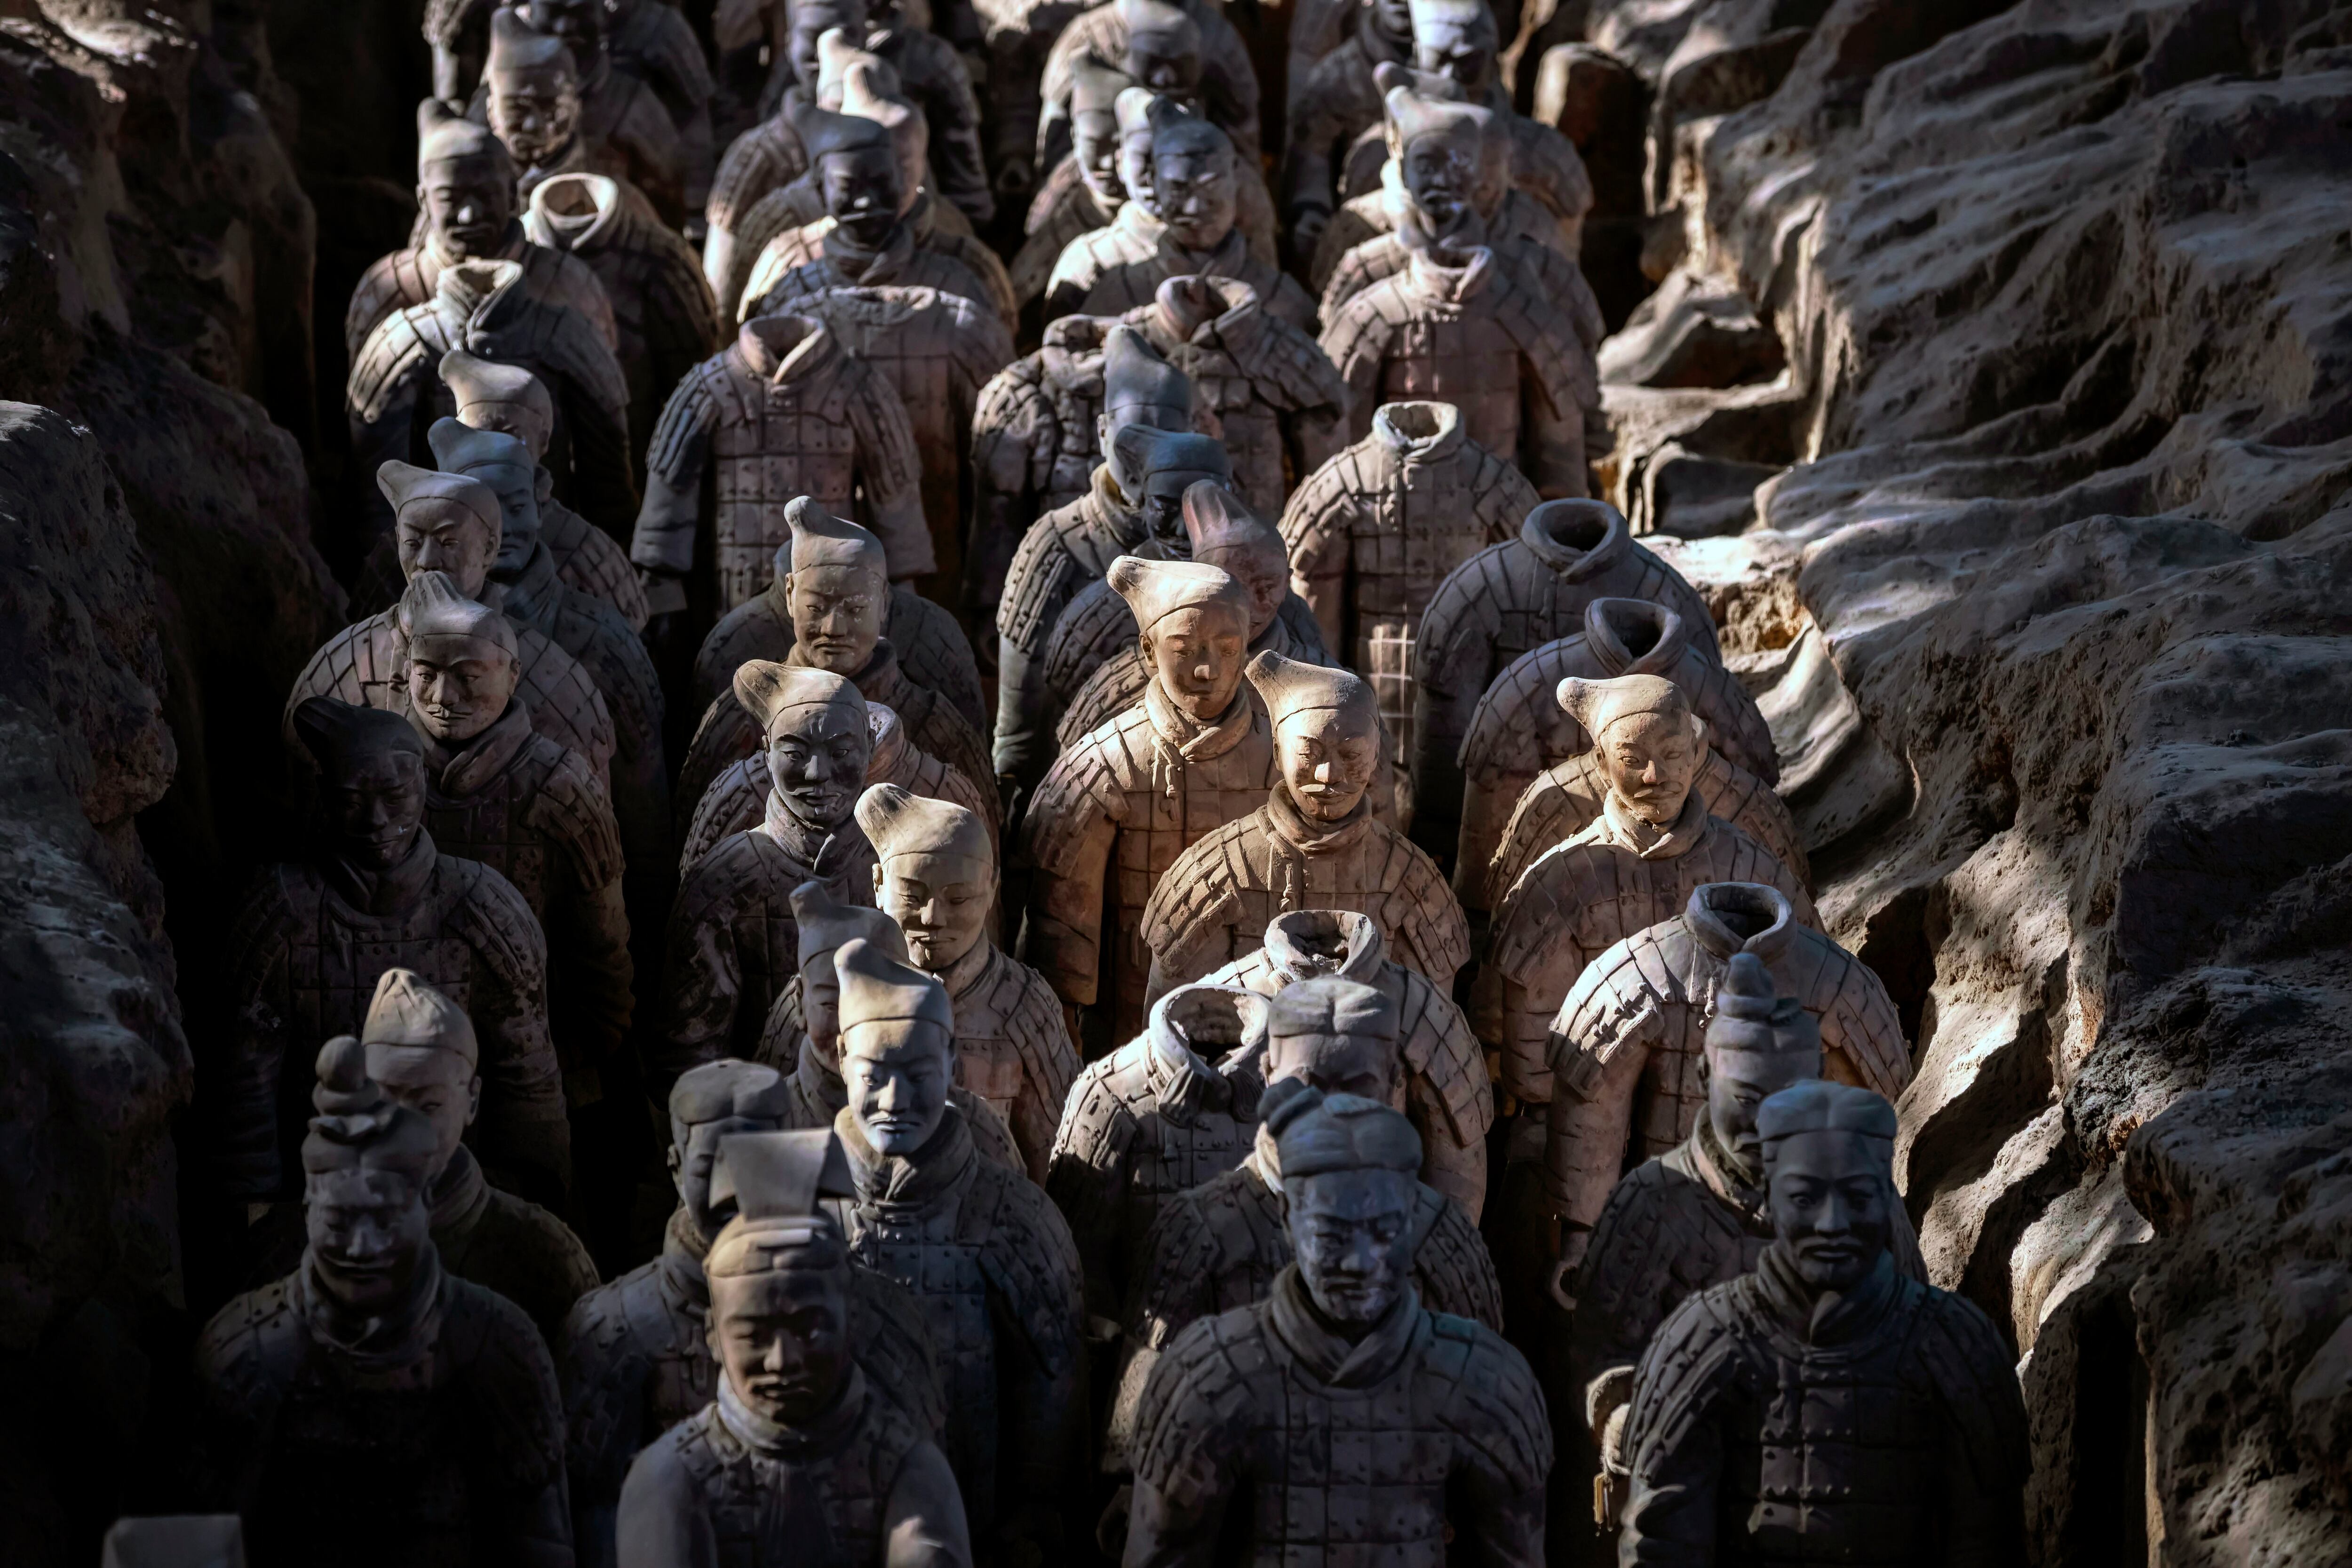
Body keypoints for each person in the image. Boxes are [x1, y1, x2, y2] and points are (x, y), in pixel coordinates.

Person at [1615, 1082, 2029, 1564]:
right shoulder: (1699, 1343)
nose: (1832, 1224)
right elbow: (1662, 1549)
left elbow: (1987, 1547)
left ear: (1886, 1198)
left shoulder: (1957, 1346)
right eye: (1805, 1197)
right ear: (1769, 1196)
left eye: (1855, 1196)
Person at [614, 1127, 972, 1567]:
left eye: (810, 1330)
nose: (783, 1361)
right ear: (713, 1335)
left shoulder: (909, 1470)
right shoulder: (669, 1480)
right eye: (753, 1335)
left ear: (852, 1321)